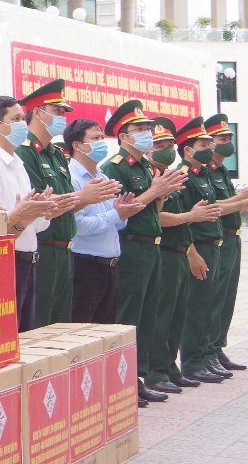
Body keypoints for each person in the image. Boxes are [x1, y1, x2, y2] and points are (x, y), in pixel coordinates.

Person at [101, 102, 188, 406]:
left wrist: (160, 194)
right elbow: (125, 208)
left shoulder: (145, 167)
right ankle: (120, 382)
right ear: (123, 136)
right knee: (129, 317)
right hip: (131, 245)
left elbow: (154, 207)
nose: (146, 134)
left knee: (147, 316)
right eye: (139, 130)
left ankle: (138, 377)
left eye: (147, 129)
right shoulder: (115, 166)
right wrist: (154, 191)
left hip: (152, 245)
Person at [16, 79, 119, 326]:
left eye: (64, 111)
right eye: (57, 111)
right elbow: (41, 204)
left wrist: (84, 200)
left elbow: (67, 207)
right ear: (38, 113)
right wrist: (81, 197)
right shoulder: (26, 152)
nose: (62, 116)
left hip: (66, 250)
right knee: (41, 326)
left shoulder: (55, 154)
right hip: (44, 247)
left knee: (63, 325)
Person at [0, 96, 70, 332]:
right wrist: (23, 215)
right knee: (10, 333)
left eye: (22, 118)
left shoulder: (18, 162)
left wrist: (46, 211)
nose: (22, 124)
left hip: (28, 258)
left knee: (28, 333)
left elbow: (33, 225)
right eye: (16, 119)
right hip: (7, 260)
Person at [146, 118, 220, 395]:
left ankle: (170, 368)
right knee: (161, 317)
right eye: (159, 145)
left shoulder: (171, 176)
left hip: (179, 251)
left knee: (177, 315)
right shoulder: (153, 178)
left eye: (169, 145)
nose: (166, 149)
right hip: (163, 253)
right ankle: (155, 372)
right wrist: (191, 216)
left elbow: (183, 220)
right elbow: (158, 217)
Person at [202, 114, 248, 371]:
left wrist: (246, 199)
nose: (227, 142)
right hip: (218, 239)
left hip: (232, 239)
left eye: (229, 137)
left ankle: (217, 348)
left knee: (226, 298)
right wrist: (243, 199)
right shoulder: (206, 171)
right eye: (221, 138)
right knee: (213, 299)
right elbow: (216, 207)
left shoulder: (222, 172)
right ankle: (205, 351)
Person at [64, 118, 144, 323]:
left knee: (105, 335)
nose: (101, 142)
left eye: (101, 137)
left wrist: (122, 214)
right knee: (83, 331)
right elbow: (77, 225)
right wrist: (114, 215)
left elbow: (113, 224)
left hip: (110, 266)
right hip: (85, 266)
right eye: (95, 138)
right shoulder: (71, 178)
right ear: (77, 145)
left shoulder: (103, 177)